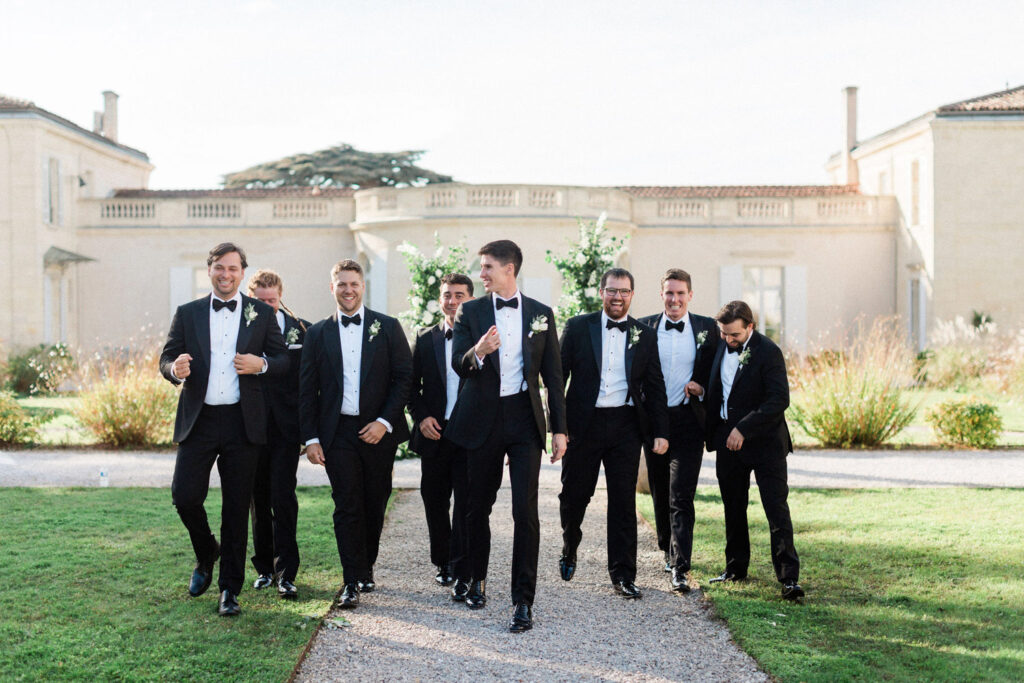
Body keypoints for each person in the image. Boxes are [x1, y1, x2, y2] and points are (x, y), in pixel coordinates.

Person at [159, 242, 288, 617]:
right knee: (184, 496)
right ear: (210, 269)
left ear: (242, 273)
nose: (226, 274)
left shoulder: (261, 314)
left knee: (235, 508)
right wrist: (174, 369)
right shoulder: (189, 313)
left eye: (233, 269)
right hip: (199, 421)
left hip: (242, 423)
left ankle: (229, 590)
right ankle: (206, 552)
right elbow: (167, 357)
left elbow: (282, 361)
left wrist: (260, 364)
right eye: (219, 267)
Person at [445, 239, 567, 633]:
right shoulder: (471, 311)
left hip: (523, 420)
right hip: (481, 419)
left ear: (509, 269)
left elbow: (553, 379)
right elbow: (459, 364)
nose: (481, 275)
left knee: (525, 513)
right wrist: (478, 351)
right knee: (476, 507)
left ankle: (522, 601)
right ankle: (476, 580)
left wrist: (560, 430)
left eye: (487, 268)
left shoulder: (541, 314)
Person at [299, 259, 412, 609]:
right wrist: (312, 438)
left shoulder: (388, 327)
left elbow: (404, 379)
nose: (348, 290)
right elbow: (307, 390)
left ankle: (366, 566)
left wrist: (384, 422)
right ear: (332, 288)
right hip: (338, 432)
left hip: (378, 428)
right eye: (342, 285)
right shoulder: (317, 333)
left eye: (354, 284)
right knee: (346, 503)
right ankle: (351, 579)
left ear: (363, 287)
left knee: (375, 500)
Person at [557, 268, 668, 599]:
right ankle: (569, 541)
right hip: (583, 426)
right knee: (574, 496)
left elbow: (655, 385)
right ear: (601, 292)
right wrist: (557, 428)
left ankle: (623, 573)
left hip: (625, 425)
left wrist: (661, 432)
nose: (617, 297)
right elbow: (557, 377)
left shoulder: (644, 335)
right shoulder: (578, 328)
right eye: (612, 291)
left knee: (623, 501)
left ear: (632, 295)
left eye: (624, 292)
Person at [703, 300, 804, 601]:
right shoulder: (721, 344)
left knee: (776, 509)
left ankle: (788, 579)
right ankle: (735, 568)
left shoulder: (769, 352)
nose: (728, 340)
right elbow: (722, 390)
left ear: (750, 326)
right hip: (728, 444)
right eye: (724, 334)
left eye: (734, 335)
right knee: (733, 507)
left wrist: (743, 428)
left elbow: (778, 400)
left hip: (765, 444)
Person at [638, 269, 719, 592]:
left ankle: (680, 564)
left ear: (690, 295)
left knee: (681, 494)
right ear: (662, 295)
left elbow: (716, 373)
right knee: (660, 491)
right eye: (669, 293)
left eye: (680, 293)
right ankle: (666, 548)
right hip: (655, 423)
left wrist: (702, 389)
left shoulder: (707, 329)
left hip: (688, 422)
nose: (674, 299)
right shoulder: (644, 327)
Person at [408, 273, 474, 599]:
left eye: (459, 295)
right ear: (440, 299)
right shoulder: (424, 338)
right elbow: (410, 386)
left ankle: (462, 563)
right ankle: (443, 562)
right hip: (434, 433)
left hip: (467, 436)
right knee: (434, 500)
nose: (452, 301)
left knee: (465, 502)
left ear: (470, 300)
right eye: (447, 295)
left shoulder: (482, 340)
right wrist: (421, 417)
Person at [246, 269, 310, 600]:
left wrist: (306, 432)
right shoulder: (243, 331)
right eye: (261, 301)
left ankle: (287, 572)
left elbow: (309, 385)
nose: (268, 307)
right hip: (252, 428)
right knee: (258, 499)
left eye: (273, 301)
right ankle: (264, 570)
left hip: (287, 430)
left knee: (283, 498)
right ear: (251, 296)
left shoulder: (303, 330)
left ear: (281, 296)